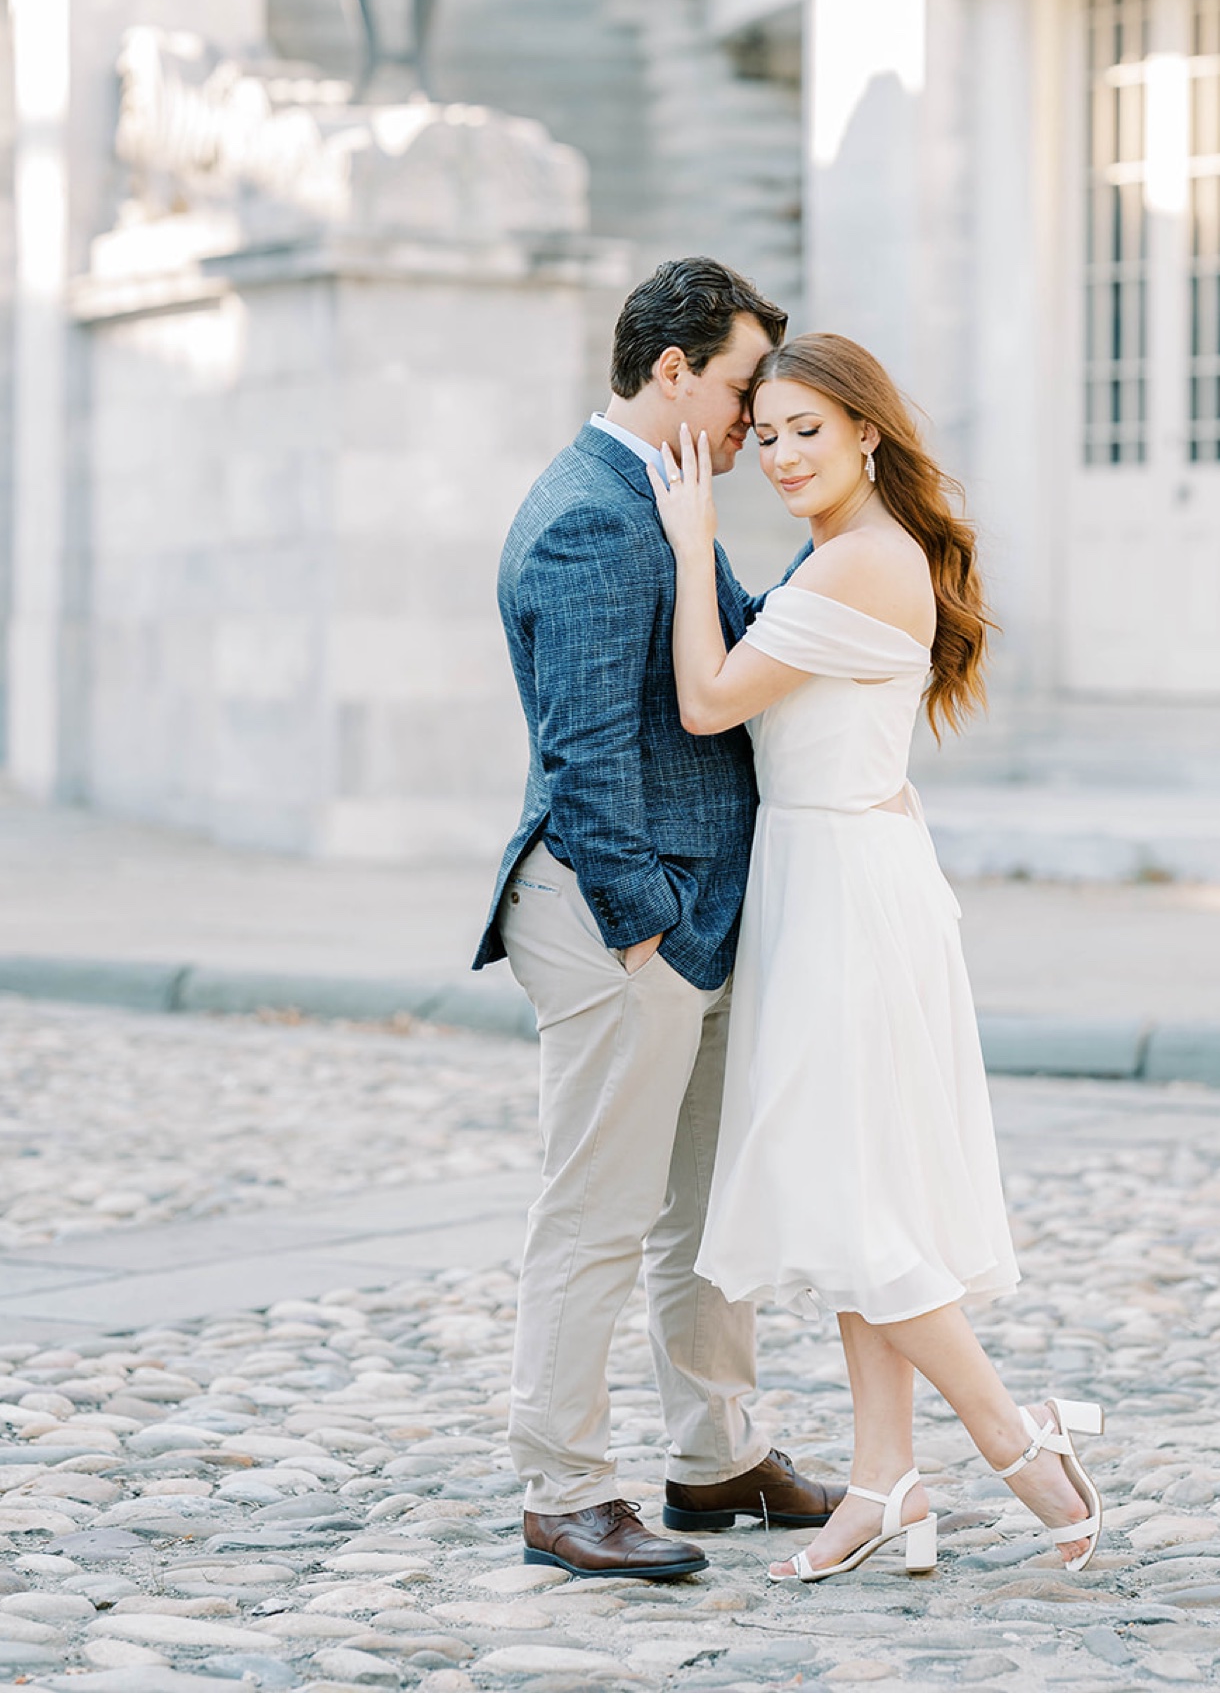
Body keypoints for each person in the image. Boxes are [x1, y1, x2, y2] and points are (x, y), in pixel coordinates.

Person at [649, 332, 1106, 1584]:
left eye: (811, 429)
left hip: (845, 892)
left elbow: (707, 701)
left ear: (867, 433)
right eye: (773, 431)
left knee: (853, 1198)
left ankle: (1022, 1447)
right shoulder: (849, 554)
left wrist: (694, 550)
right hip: (841, 873)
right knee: (863, 1191)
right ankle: (883, 1479)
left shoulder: (861, 564)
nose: (784, 454)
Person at [476, 259, 844, 1582]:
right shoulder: (590, 512)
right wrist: (650, 929)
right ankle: (562, 1487)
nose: (755, 419)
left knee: (705, 1212)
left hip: (690, 922)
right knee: (599, 1211)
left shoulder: (667, 499)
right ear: (673, 368)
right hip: (619, 920)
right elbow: (582, 760)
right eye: (745, 387)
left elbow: (745, 645)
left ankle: (716, 1456)